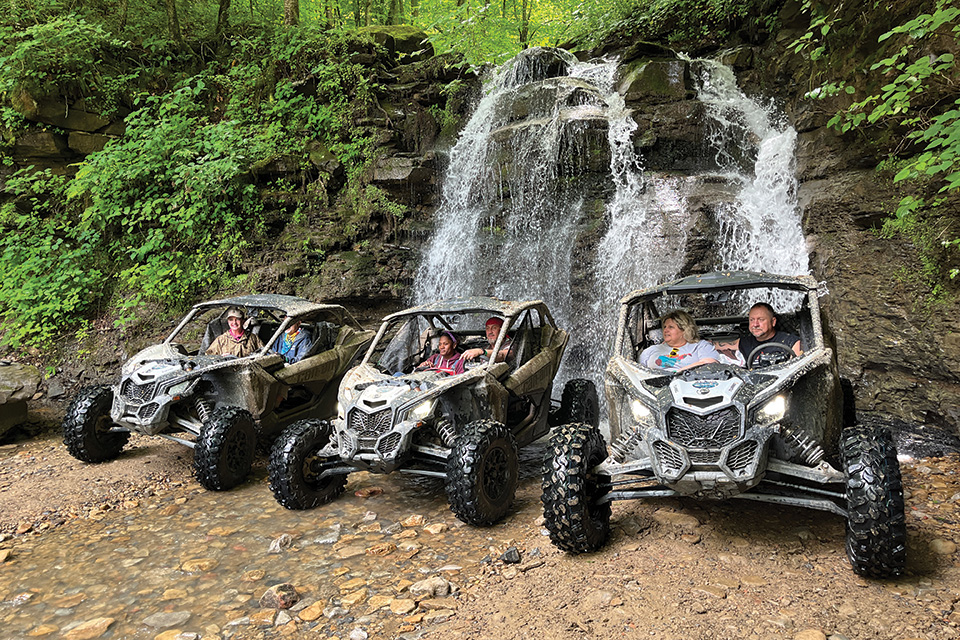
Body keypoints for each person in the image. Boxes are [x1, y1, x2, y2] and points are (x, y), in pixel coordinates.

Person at [638, 310, 720, 372]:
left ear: (684, 330)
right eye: (665, 327)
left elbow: (709, 363)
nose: (665, 330)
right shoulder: (650, 350)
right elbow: (638, 372)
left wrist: (678, 373)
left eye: (671, 327)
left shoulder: (700, 346)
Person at [737, 302, 802, 363]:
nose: (755, 324)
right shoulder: (744, 343)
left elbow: (797, 368)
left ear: (773, 322)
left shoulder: (791, 342)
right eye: (752, 320)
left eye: (761, 320)